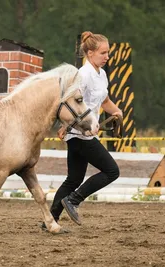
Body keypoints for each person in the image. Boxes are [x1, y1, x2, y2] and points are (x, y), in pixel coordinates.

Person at [44, 31, 122, 229]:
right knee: (112, 171)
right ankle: (73, 201)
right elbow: (70, 103)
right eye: (103, 53)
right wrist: (65, 125)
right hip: (80, 134)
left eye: (108, 53)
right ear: (89, 53)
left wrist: (117, 112)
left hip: (84, 134)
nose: (107, 57)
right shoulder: (83, 75)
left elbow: (103, 101)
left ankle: (49, 221)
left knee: (73, 179)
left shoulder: (101, 74)